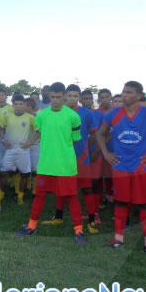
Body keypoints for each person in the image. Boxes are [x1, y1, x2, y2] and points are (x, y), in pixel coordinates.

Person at [97, 81, 146, 256]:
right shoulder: (113, 115)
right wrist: (106, 153)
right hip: (121, 167)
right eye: (124, 92)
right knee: (121, 201)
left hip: (142, 167)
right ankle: (118, 238)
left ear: (139, 96)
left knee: (144, 204)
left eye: (129, 92)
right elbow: (100, 133)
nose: (125, 95)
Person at [17, 82, 87, 245]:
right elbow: (39, 133)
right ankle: (31, 226)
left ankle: (79, 231)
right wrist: (29, 142)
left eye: (58, 97)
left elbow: (76, 140)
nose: (55, 100)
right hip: (46, 166)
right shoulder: (41, 116)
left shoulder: (74, 116)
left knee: (72, 198)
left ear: (64, 96)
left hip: (66, 167)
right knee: (39, 196)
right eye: (52, 97)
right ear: (49, 97)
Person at [43, 85, 98, 233]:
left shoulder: (87, 113)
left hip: (82, 158)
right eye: (70, 95)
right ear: (64, 96)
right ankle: (58, 217)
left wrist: (87, 150)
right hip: (63, 159)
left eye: (76, 95)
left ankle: (92, 220)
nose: (73, 98)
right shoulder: (56, 112)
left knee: (87, 189)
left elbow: (94, 135)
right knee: (62, 189)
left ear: (79, 97)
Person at [0, 94, 36, 208]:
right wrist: (2, 139)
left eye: (21, 104)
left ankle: (20, 196)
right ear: (13, 104)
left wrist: (30, 142)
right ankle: (0, 195)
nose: (19, 106)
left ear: (24, 105)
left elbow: (39, 131)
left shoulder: (30, 117)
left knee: (25, 174)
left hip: (23, 150)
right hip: (10, 149)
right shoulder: (8, 116)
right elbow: (1, 128)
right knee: (3, 172)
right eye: (16, 104)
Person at [24, 97, 40, 194]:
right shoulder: (23, 117)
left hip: (35, 146)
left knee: (35, 170)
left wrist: (31, 142)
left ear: (30, 107)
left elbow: (40, 133)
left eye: (24, 105)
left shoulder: (38, 117)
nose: (21, 107)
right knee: (25, 168)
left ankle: (35, 189)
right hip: (24, 146)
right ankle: (25, 188)